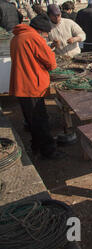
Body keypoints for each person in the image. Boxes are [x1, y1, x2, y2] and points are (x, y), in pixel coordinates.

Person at [9, 14, 65, 159]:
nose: (47, 36)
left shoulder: (16, 37)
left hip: (20, 84)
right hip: (32, 85)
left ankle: (36, 145)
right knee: (40, 119)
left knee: (31, 119)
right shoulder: (34, 38)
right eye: (46, 34)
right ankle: (49, 151)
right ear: (41, 31)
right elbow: (51, 63)